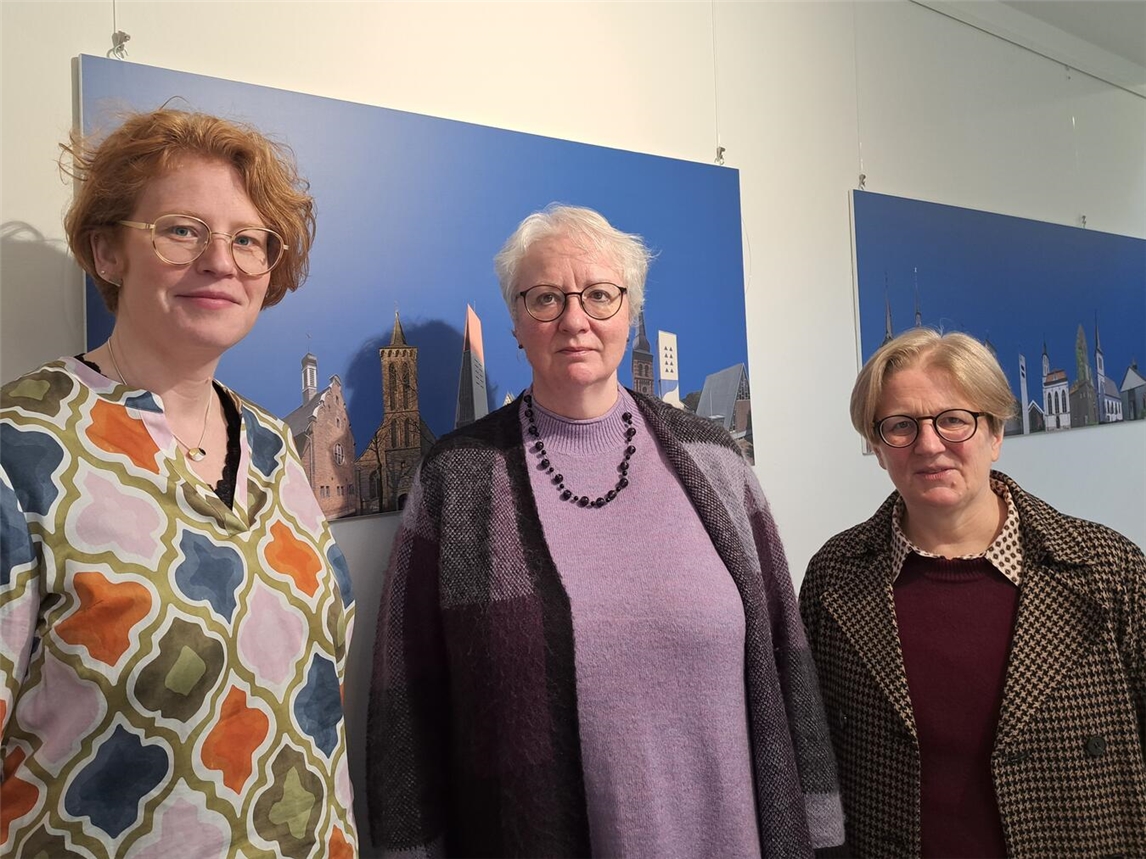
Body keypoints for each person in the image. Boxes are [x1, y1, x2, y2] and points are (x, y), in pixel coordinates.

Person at [366, 204, 843, 857]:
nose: (574, 320)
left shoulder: (717, 460)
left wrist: (820, 834)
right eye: (545, 299)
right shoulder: (458, 479)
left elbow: (788, 666)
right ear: (515, 323)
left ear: (629, 311)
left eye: (599, 295)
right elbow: (407, 704)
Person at [0, 109, 357, 857]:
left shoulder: (274, 447)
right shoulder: (23, 448)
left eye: (248, 239)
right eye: (182, 229)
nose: (221, 261)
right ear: (107, 251)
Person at [800, 327, 1146, 858]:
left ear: (996, 434)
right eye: (900, 426)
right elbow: (814, 755)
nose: (930, 445)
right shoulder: (836, 577)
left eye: (954, 420)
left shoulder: (1108, 569)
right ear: (876, 445)